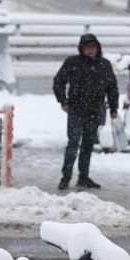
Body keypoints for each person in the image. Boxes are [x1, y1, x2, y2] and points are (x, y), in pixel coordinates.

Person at [52, 33, 118, 190]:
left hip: (94, 112)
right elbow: (58, 82)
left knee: (87, 146)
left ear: (97, 48)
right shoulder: (72, 62)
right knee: (73, 144)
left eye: (93, 47)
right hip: (75, 110)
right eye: (87, 48)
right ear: (81, 49)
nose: (90, 51)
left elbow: (112, 88)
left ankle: (83, 177)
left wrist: (113, 108)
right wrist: (63, 101)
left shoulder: (104, 65)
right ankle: (66, 177)